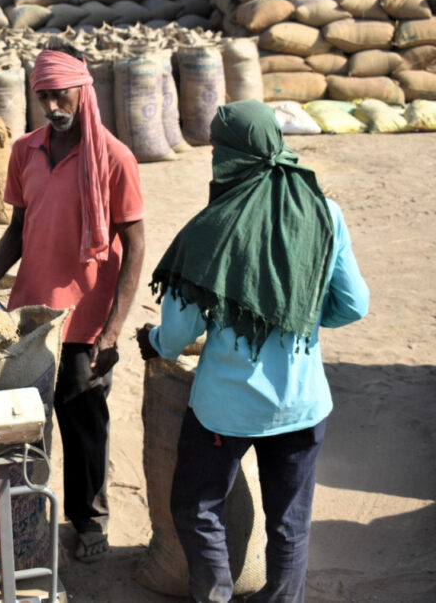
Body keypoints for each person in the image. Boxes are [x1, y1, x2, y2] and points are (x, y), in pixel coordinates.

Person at [136, 100, 369, 603]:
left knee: (197, 506)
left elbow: (176, 335)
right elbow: (354, 304)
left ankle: (216, 594)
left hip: (228, 409)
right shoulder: (326, 214)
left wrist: (151, 342)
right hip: (304, 405)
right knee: (290, 522)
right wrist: (298, 317)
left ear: (231, 157)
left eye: (218, 149)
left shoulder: (213, 228)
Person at [0, 40, 146, 562]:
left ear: (82, 89)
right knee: (26, 429)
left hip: (85, 325)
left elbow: (135, 245)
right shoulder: (26, 150)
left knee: (84, 425)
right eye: (43, 96)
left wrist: (111, 332)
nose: (51, 106)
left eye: (59, 94)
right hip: (28, 319)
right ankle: (28, 520)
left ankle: (89, 522)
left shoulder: (114, 158)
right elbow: (19, 229)